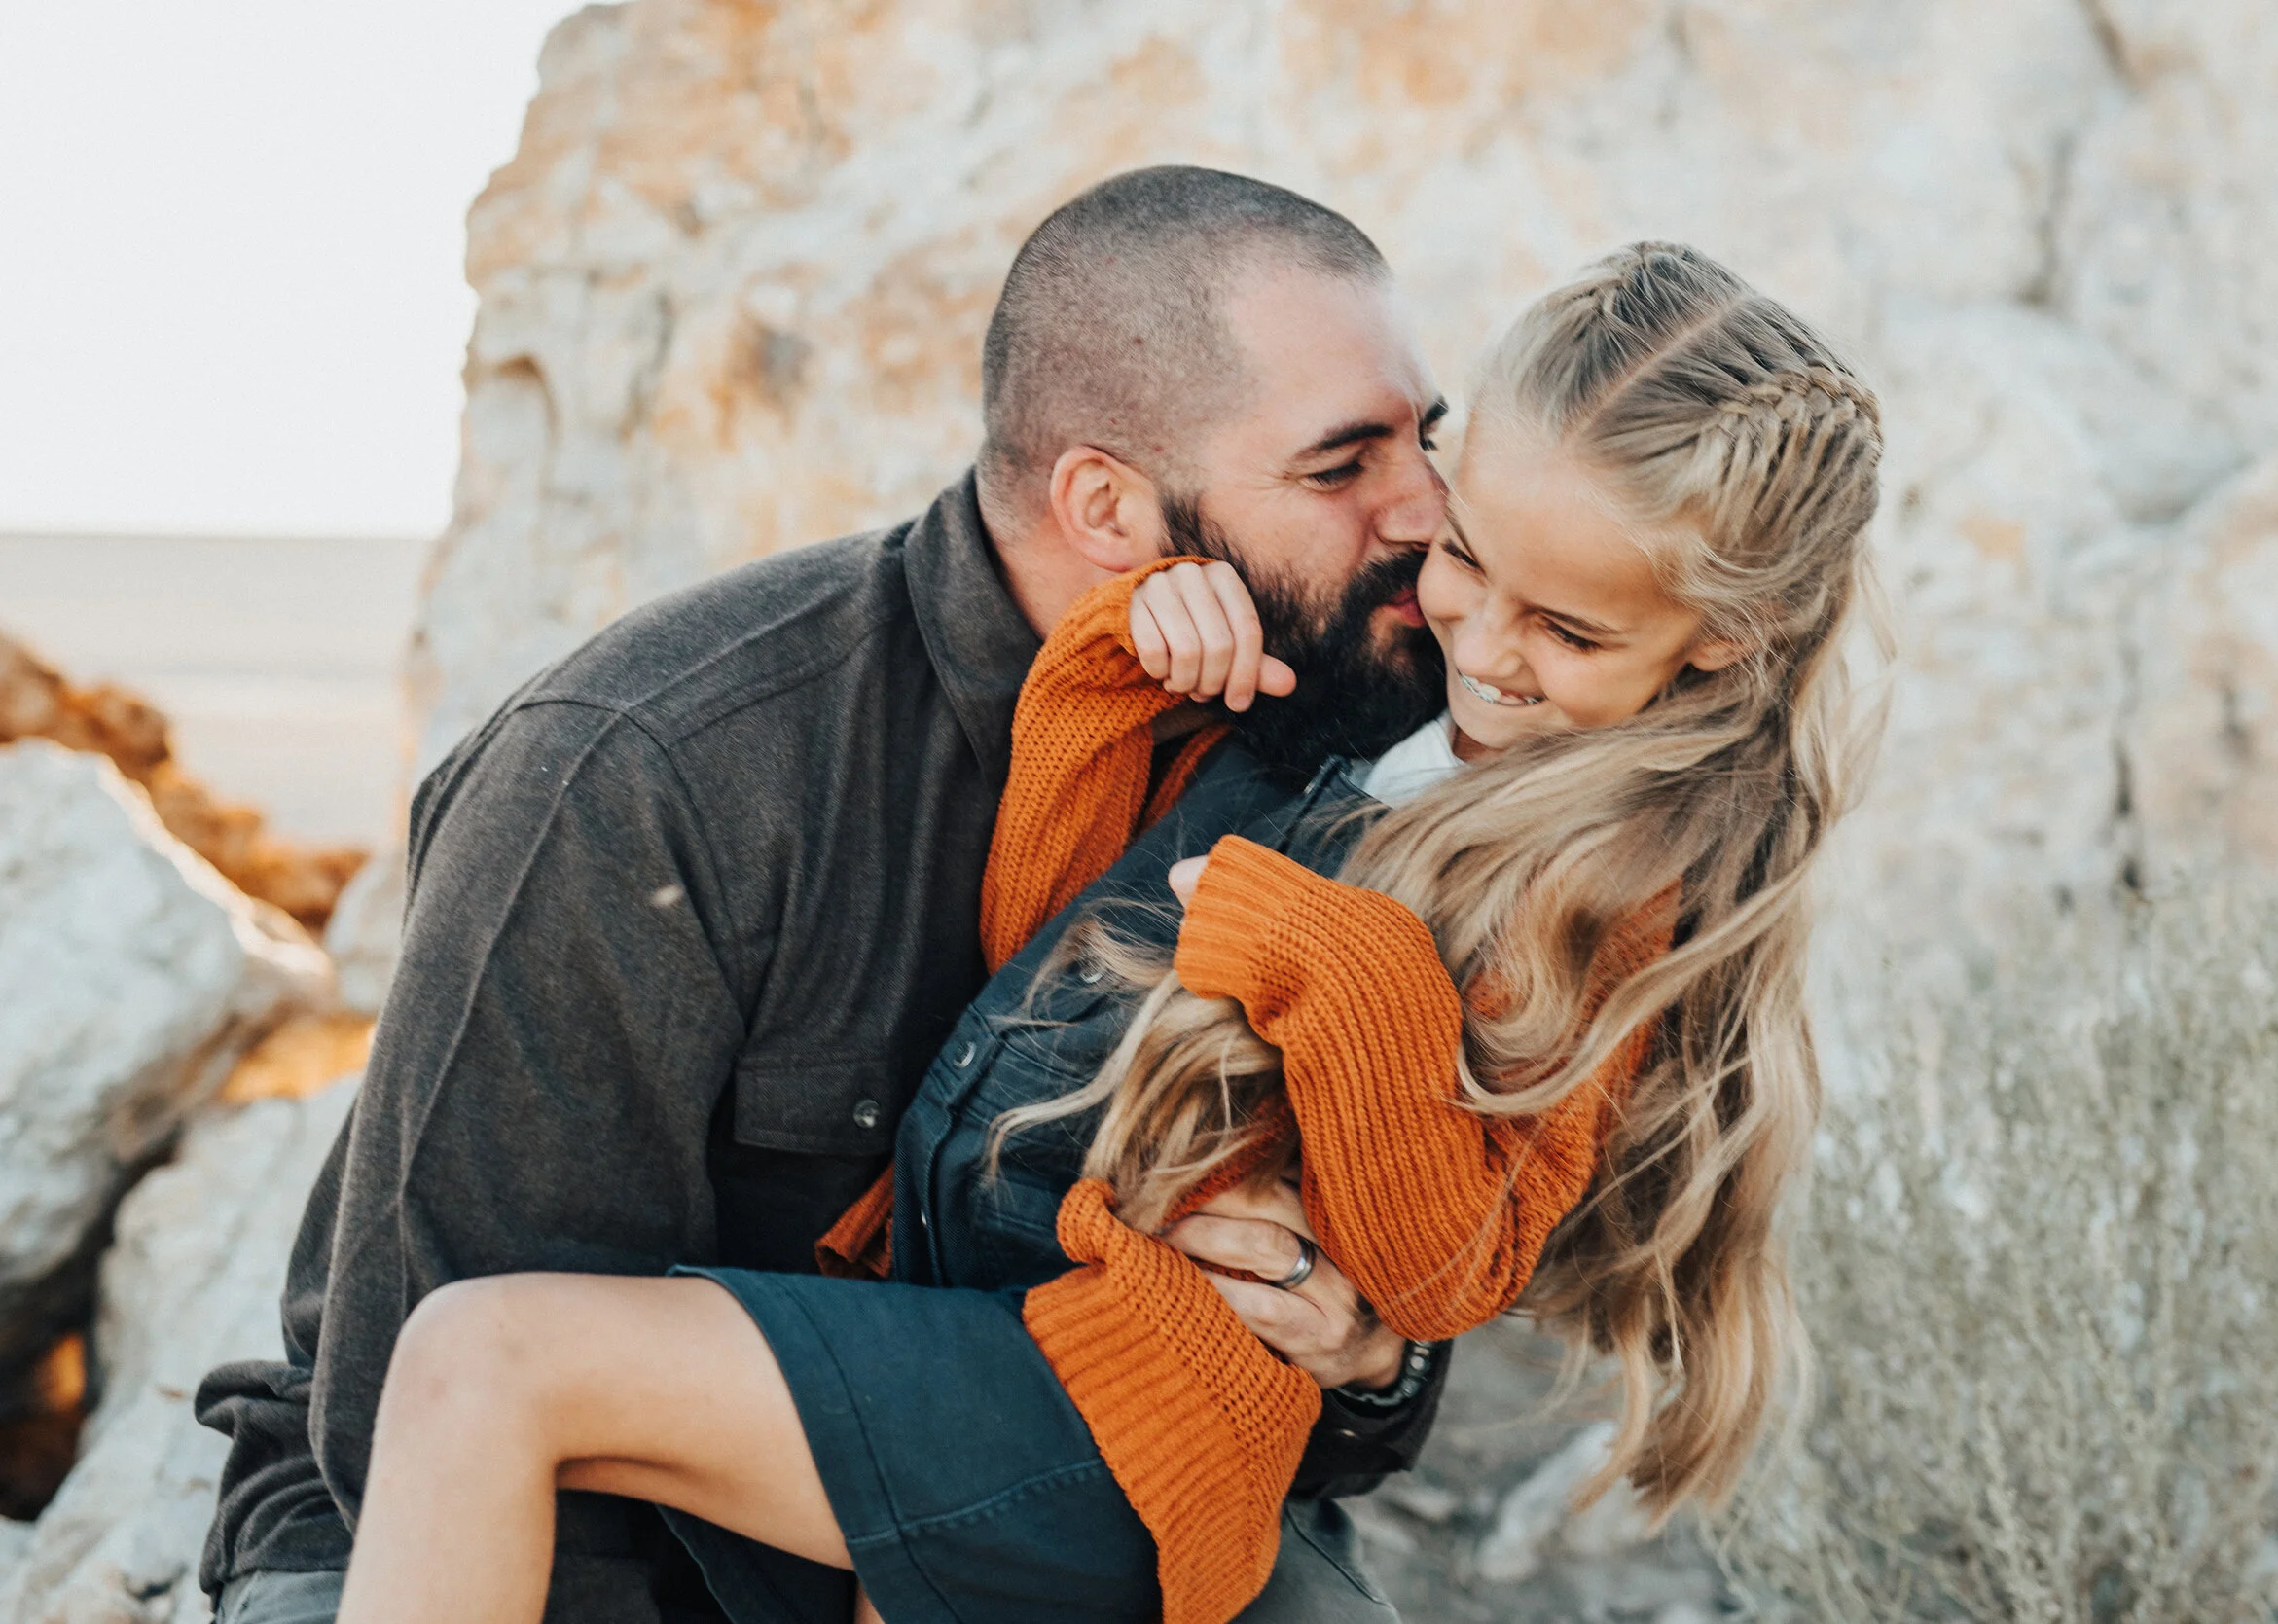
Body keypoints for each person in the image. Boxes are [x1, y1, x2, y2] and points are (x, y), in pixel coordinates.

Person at [328, 241, 1887, 1624]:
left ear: (1717, 649)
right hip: (1005, 1341)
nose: (1480, 637)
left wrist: (1339, 969)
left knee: (491, 1366)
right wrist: (1113, 677)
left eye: (1573, 629)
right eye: (1468, 554)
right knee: (475, 1366)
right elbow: (1043, 960)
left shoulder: (1622, 883)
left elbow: (1443, 1262)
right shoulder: (1380, 703)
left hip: (1131, 1423)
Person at [195, 166, 1458, 1624]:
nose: (1430, 509)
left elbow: (1372, 1398)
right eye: (1340, 465)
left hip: (999, 1522)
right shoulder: (653, 773)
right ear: (1107, 506)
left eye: (1431, 433)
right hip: (500, 1548)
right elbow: (417, 1387)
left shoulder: (1302, 772)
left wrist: (1365, 1353)